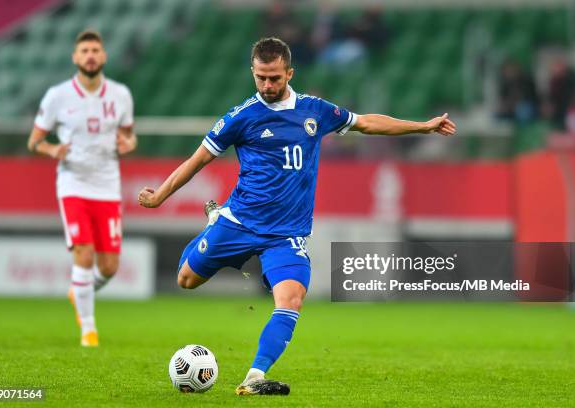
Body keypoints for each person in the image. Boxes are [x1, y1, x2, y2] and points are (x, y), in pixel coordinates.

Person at [137, 37, 455, 395]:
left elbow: (365, 122)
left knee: (291, 300)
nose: (268, 85)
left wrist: (422, 126)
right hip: (239, 222)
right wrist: (160, 195)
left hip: (286, 235)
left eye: (275, 77)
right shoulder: (239, 118)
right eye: (261, 78)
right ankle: (215, 222)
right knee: (186, 281)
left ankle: (254, 377)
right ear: (253, 74)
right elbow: (197, 161)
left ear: (290, 72)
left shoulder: (314, 110)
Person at [27, 30, 137, 347]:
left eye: (95, 50)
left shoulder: (120, 95)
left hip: (107, 185)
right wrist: (52, 150)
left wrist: (128, 144)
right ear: (75, 57)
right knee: (84, 255)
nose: (90, 55)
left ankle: (79, 290)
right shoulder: (57, 96)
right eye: (84, 51)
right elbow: (34, 141)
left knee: (109, 267)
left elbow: (130, 136)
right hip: (73, 182)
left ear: (103, 56)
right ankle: (88, 330)